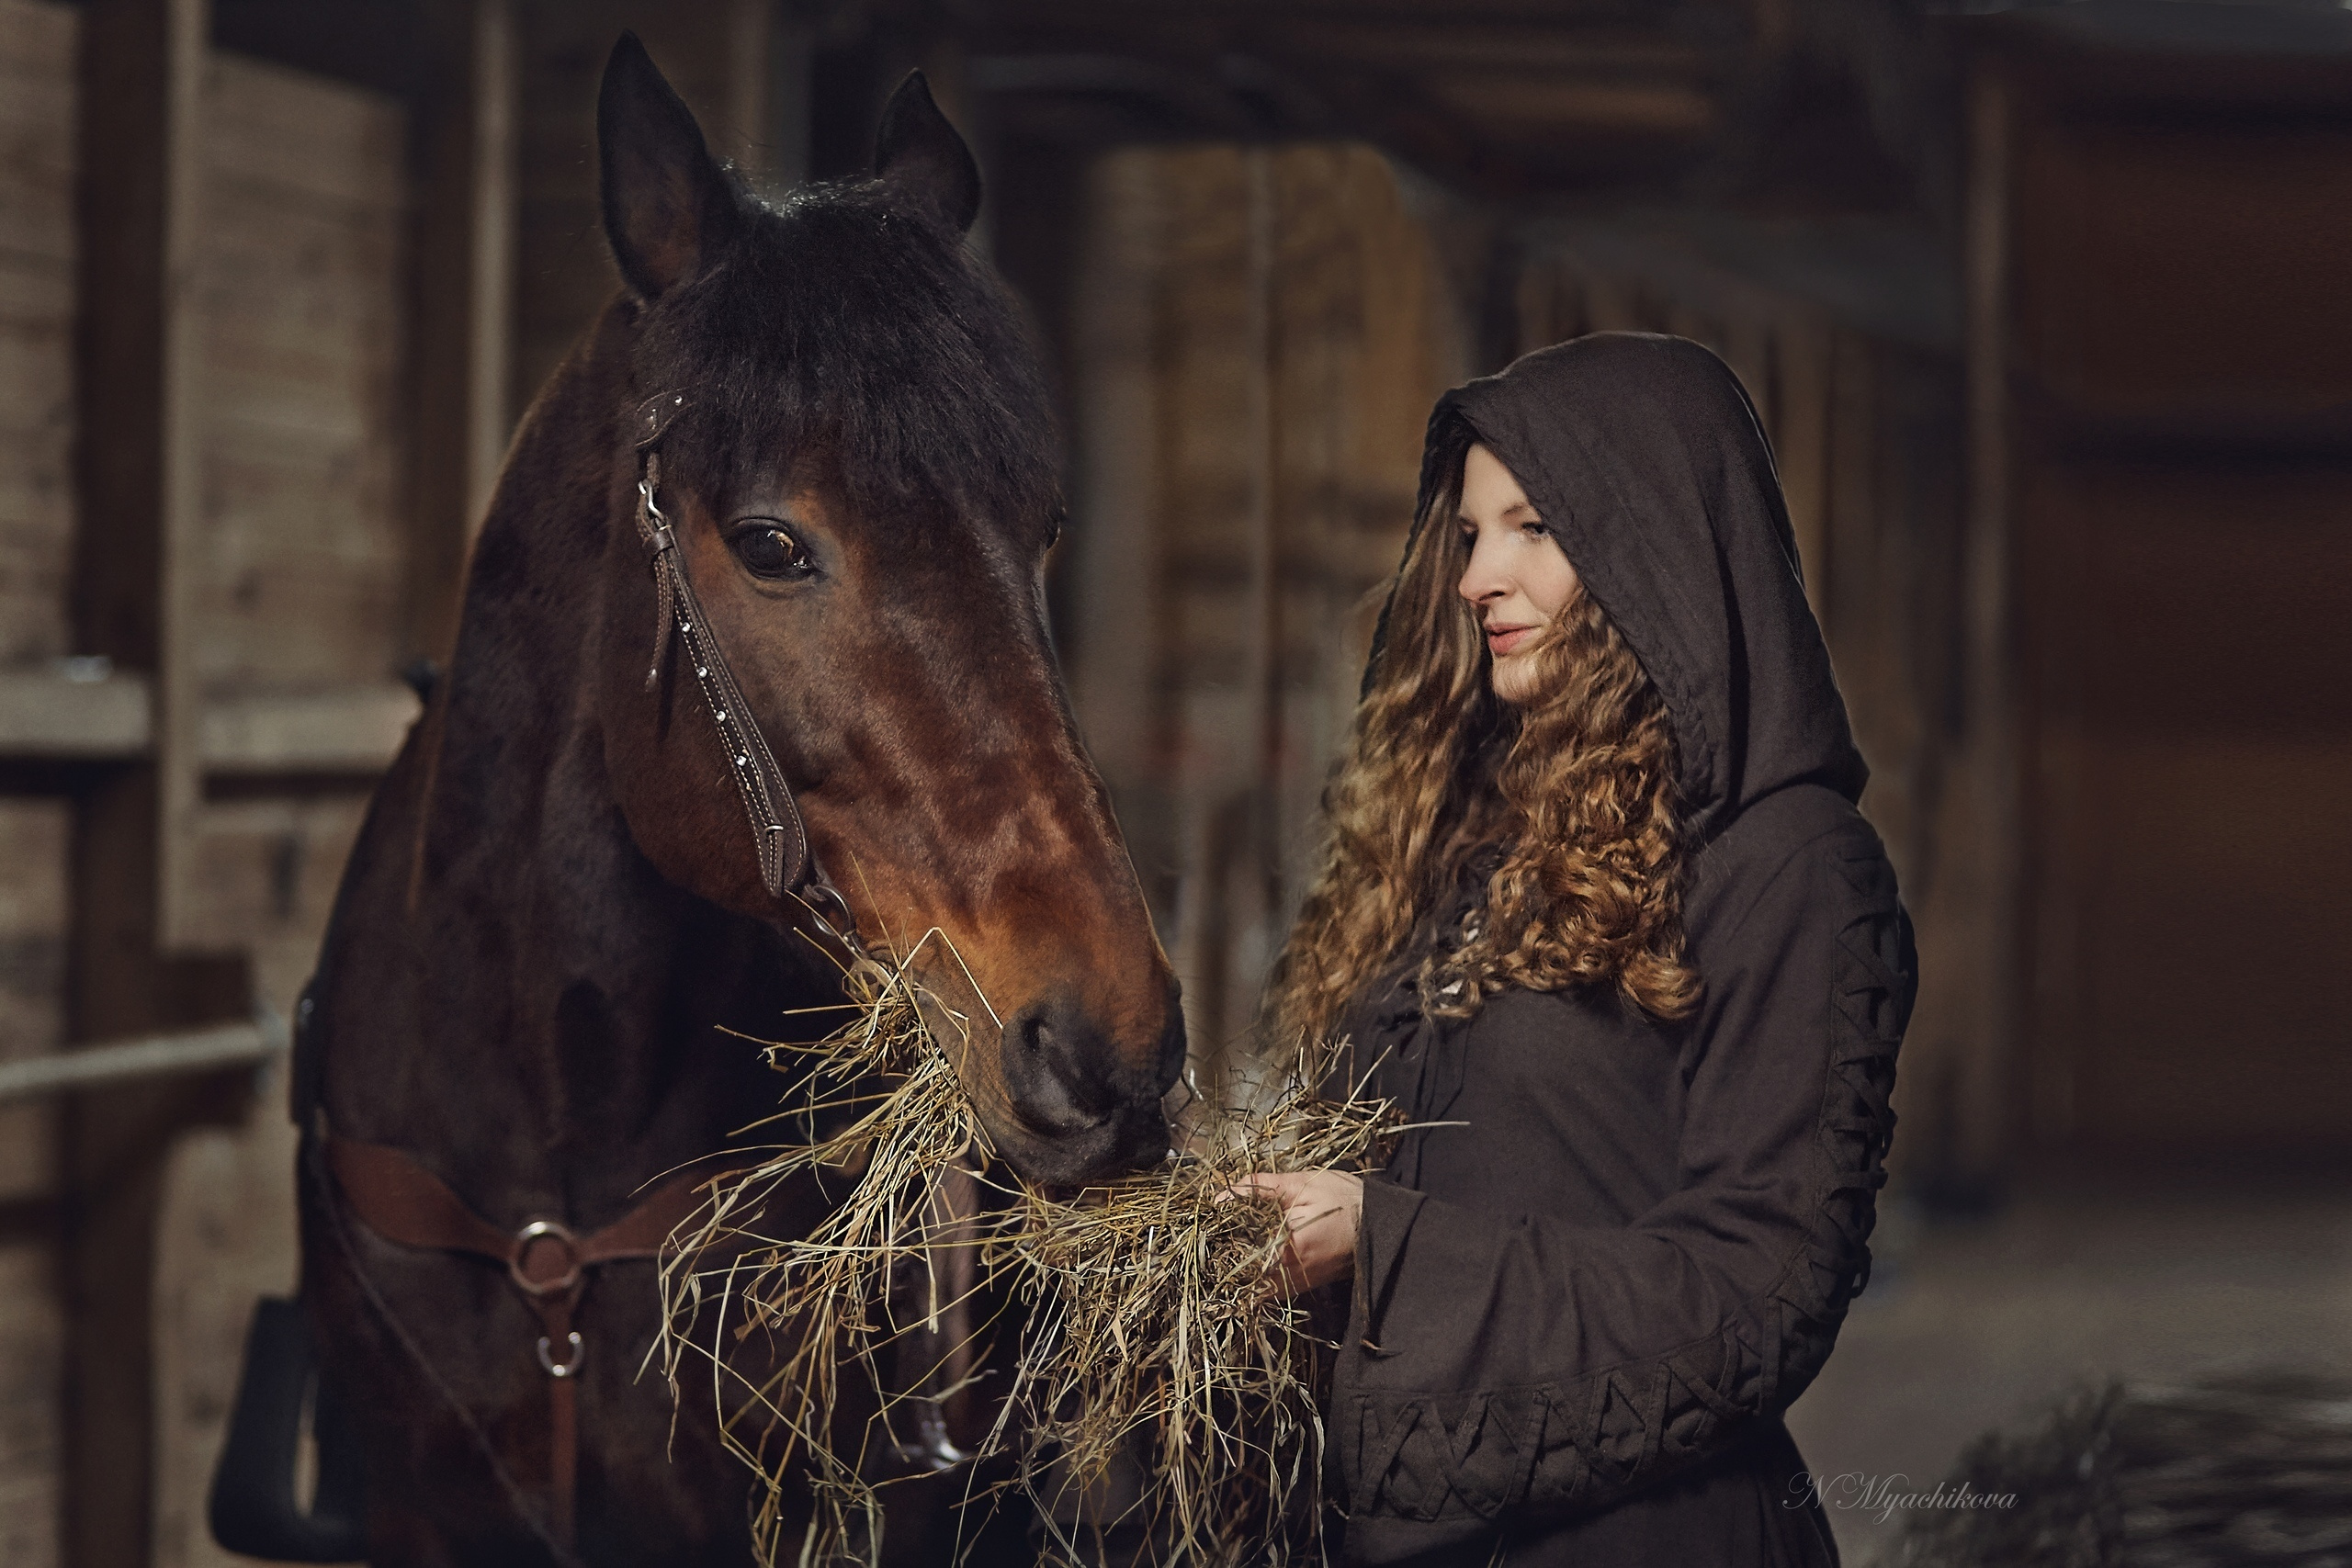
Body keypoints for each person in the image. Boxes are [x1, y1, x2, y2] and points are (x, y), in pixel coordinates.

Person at [1237, 333, 1917, 1566]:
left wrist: (1383, 1246)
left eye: (1534, 528)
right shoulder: (1456, 844)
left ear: (1653, 550)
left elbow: (1760, 1290)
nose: (1474, 577)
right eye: (1467, 535)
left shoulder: (1793, 866)